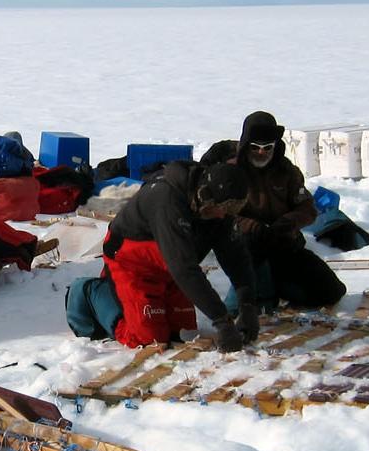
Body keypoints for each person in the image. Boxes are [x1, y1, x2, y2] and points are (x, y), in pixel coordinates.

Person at [66, 160, 260, 351]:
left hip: (170, 265)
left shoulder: (216, 208)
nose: (221, 216)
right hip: (131, 263)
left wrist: (248, 305)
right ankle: (91, 292)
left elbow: (236, 257)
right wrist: (222, 320)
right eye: (220, 210)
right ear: (204, 195)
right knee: (149, 339)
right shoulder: (167, 200)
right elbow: (184, 269)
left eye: (228, 211)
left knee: (184, 332)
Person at [202, 111, 346, 310]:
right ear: (245, 145)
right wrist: (250, 226)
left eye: (267, 147)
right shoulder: (230, 172)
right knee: (244, 301)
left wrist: (288, 223)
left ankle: (277, 287)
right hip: (246, 246)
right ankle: (251, 298)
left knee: (332, 291)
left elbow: (307, 207)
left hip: (283, 242)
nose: (261, 153)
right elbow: (218, 212)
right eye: (255, 147)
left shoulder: (287, 171)